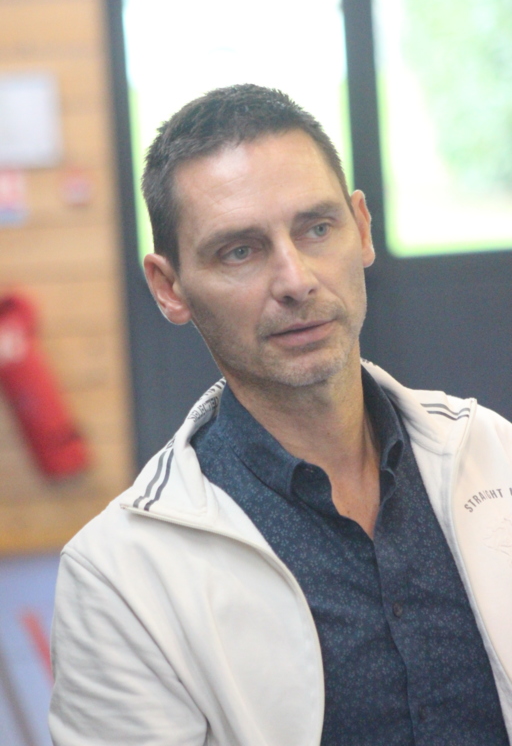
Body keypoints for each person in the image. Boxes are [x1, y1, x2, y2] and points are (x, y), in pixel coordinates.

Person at [49, 84, 512, 746]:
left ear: (362, 228)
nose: (295, 280)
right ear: (170, 287)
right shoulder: (122, 578)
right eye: (240, 251)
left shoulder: (492, 456)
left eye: (316, 229)